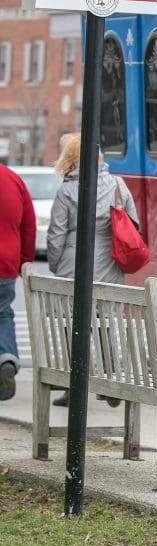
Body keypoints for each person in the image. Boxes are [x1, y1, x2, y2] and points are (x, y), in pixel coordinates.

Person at [47, 134, 140, 407]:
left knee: (74, 326)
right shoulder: (117, 185)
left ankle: (73, 385)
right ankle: (112, 379)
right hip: (110, 265)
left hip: (72, 266)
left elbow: (56, 235)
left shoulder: (66, 191)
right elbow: (133, 223)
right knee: (108, 323)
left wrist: (56, 264)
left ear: (69, 158)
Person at [0, 164, 35, 401]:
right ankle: (7, 357)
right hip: (5, 262)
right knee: (3, 313)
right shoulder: (12, 179)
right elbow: (28, 226)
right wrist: (24, 260)